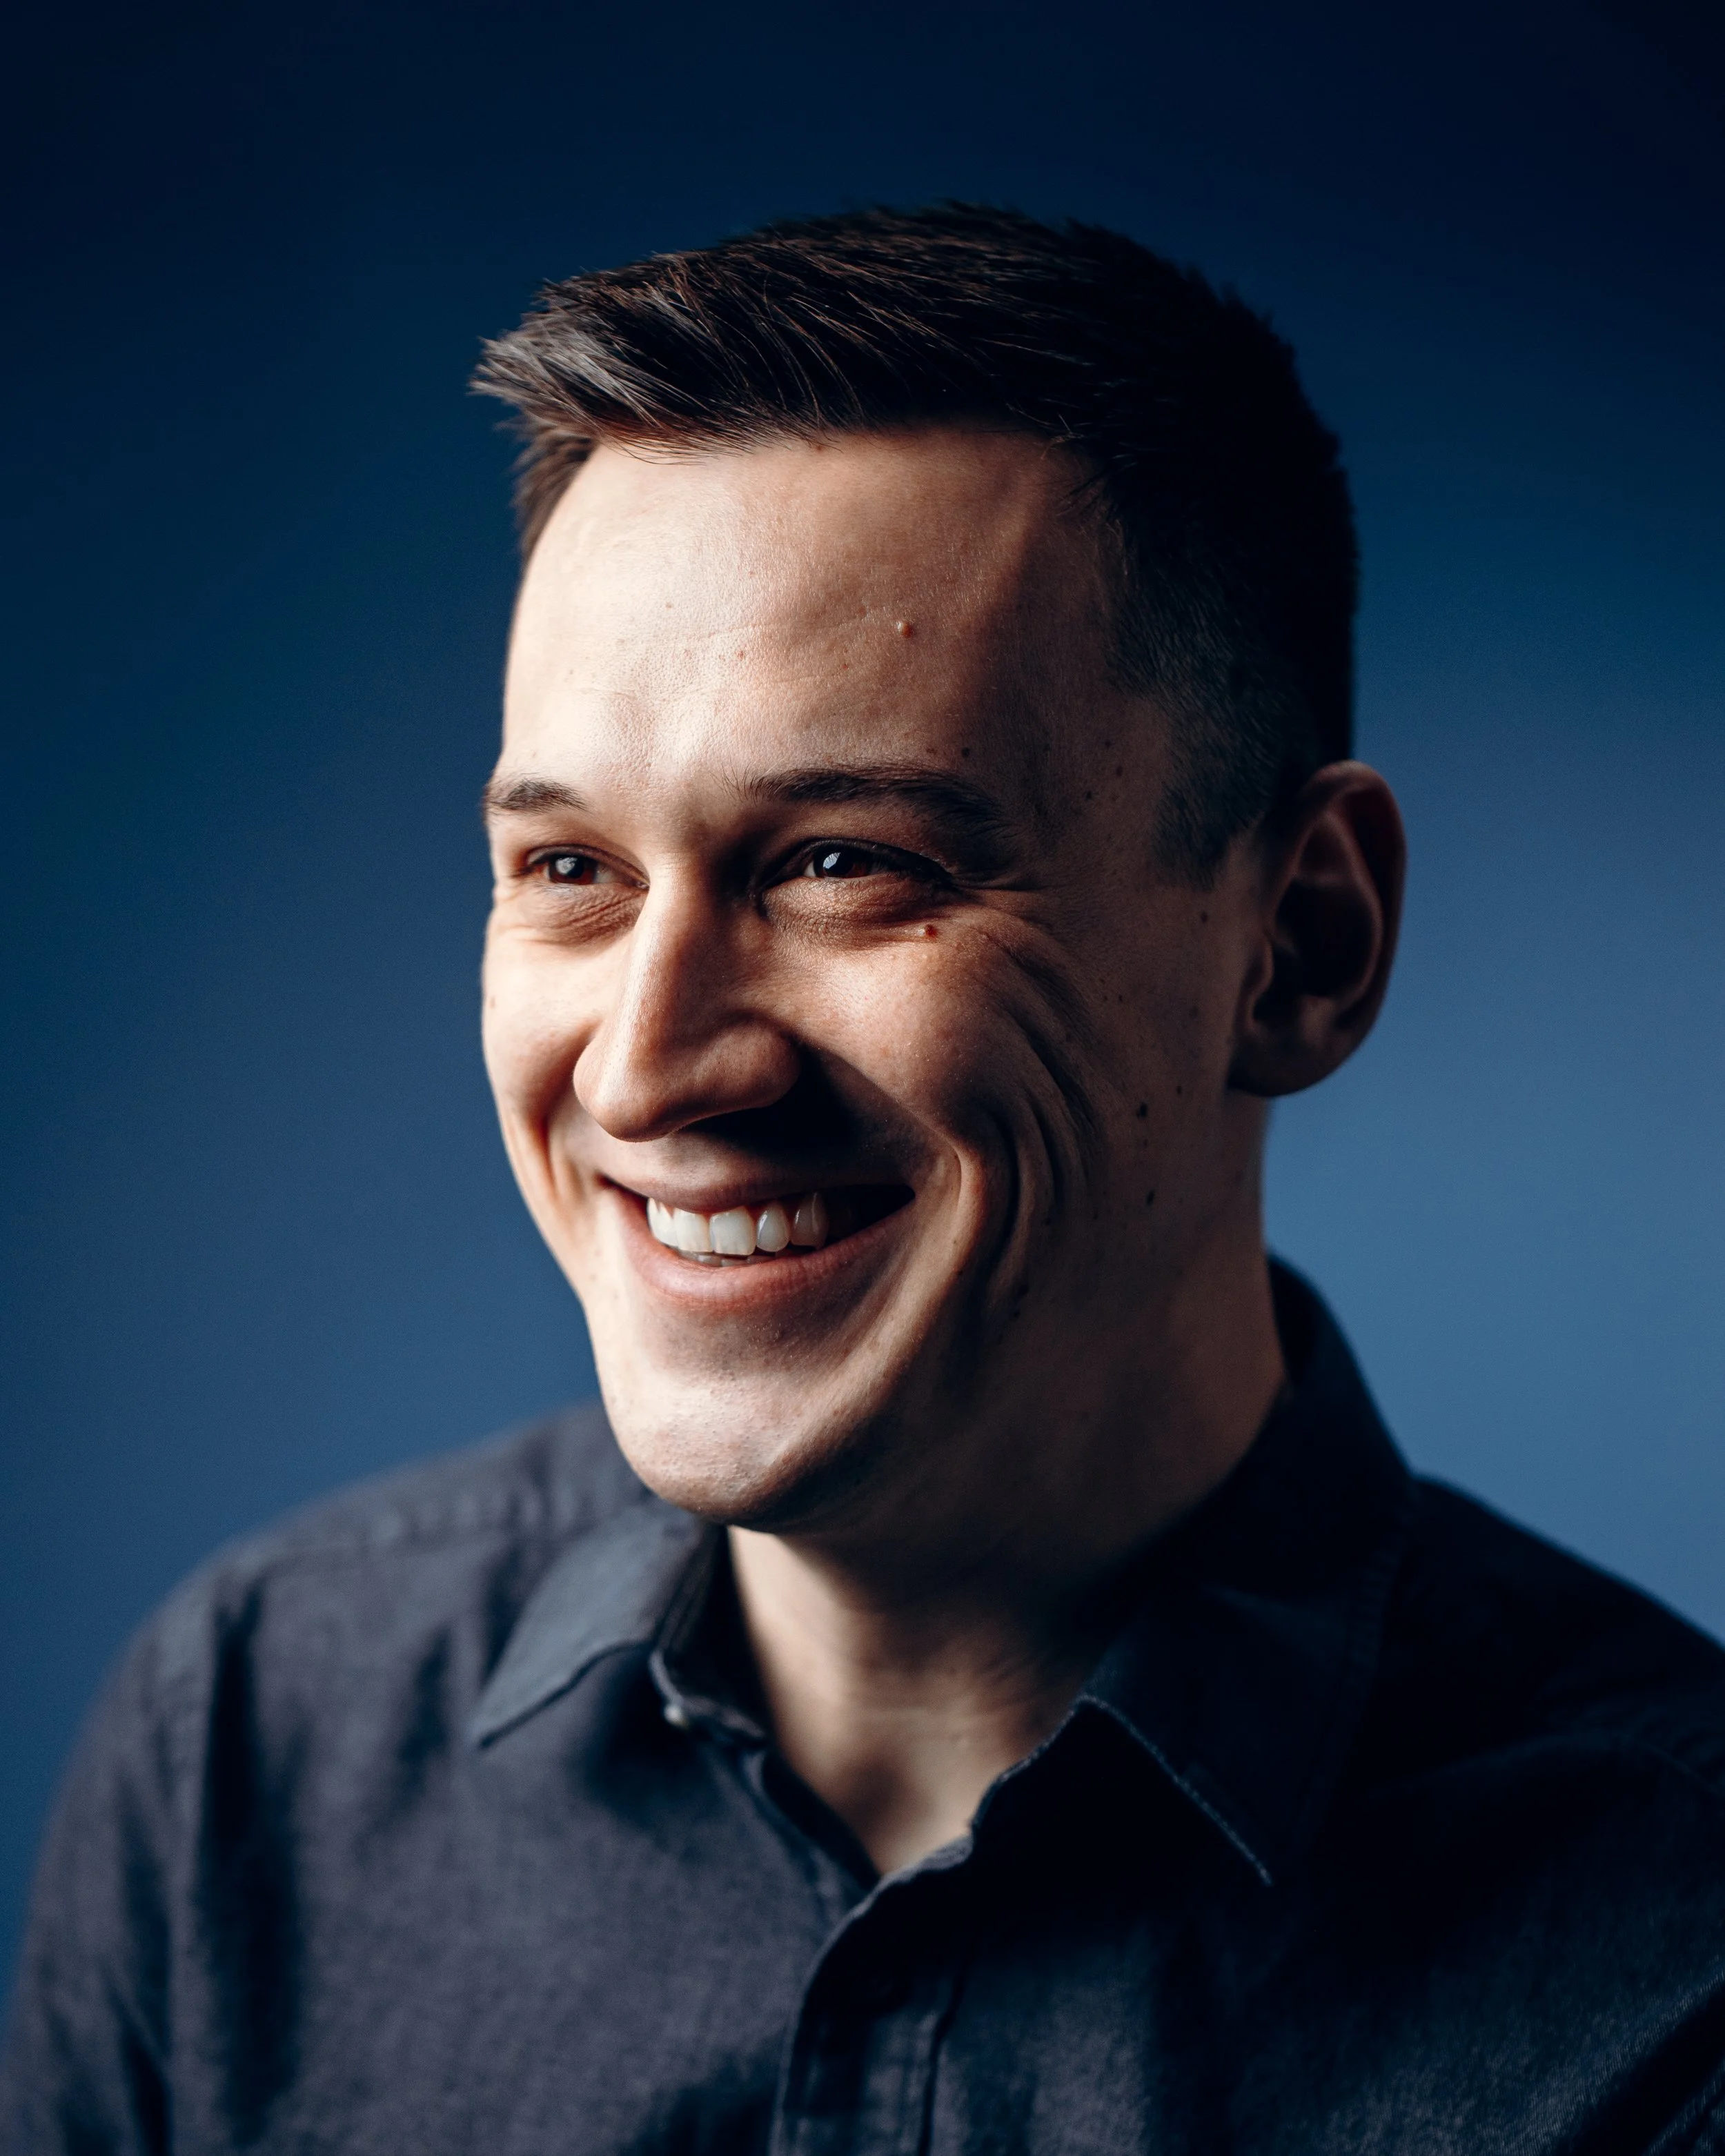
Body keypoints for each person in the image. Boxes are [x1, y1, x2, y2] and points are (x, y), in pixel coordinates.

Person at [4, 203, 1723, 2156]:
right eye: (569, 870)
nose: (649, 1063)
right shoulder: (246, 1758)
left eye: (843, 862)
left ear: (1300, 944)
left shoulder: (1674, 1979)